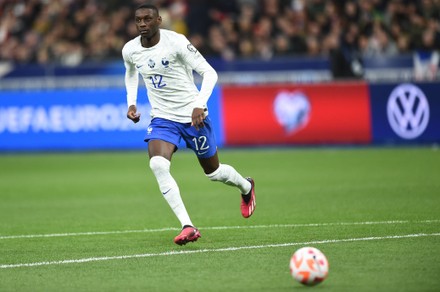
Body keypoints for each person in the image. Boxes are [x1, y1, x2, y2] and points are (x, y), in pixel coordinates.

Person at [122, 4, 256, 246]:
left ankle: (246, 186)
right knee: (158, 165)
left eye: (147, 19)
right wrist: (131, 103)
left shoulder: (176, 43)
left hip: (194, 116)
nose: (142, 23)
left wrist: (199, 104)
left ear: (159, 21)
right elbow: (131, 72)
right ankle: (188, 225)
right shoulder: (130, 49)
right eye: (138, 20)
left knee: (214, 173)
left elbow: (210, 73)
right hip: (162, 118)